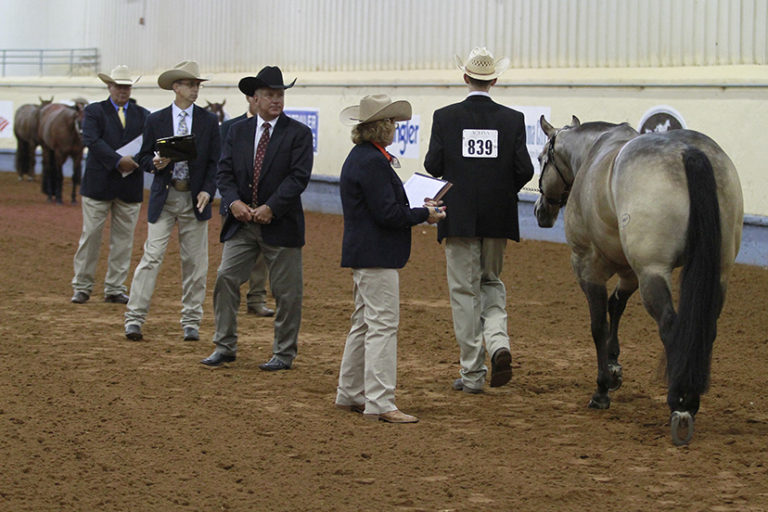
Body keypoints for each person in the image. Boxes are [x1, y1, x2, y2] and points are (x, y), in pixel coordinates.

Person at [424, 47, 534, 394]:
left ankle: (472, 373)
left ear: (465, 77)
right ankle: (499, 342)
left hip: (457, 218)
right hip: (497, 218)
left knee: (463, 292)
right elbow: (525, 171)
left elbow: (432, 165)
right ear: (494, 80)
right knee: (491, 283)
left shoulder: (445, 117)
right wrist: (499, 191)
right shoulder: (513, 119)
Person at [334, 94, 446, 423]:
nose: (396, 128)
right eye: (392, 123)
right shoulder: (372, 162)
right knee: (382, 325)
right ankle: (380, 401)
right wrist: (423, 214)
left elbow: (384, 209)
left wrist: (416, 211)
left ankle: (350, 392)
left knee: (364, 324)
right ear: (382, 127)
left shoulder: (363, 158)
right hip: (377, 253)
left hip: (366, 252)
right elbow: (388, 214)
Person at [200, 66, 312, 370]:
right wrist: (233, 201)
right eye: (269, 95)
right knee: (226, 278)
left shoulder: (298, 134)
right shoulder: (237, 131)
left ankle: (284, 353)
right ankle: (224, 345)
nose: (276, 100)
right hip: (242, 223)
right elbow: (224, 171)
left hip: (281, 224)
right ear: (255, 98)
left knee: (287, 293)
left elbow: (298, 177)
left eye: (280, 95)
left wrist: (271, 207)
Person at [124, 60, 221, 342]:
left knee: (195, 263)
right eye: (190, 85)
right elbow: (142, 157)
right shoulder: (155, 120)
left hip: (195, 198)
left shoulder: (208, 121)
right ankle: (134, 318)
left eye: (197, 85)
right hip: (165, 198)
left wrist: (207, 189)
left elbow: (216, 162)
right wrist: (155, 163)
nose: (194, 90)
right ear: (176, 87)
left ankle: (191, 321)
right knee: (151, 258)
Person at [71, 65, 149, 305]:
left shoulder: (143, 114)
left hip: (129, 186)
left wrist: (133, 162)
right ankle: (82, 286)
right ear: (109, 87)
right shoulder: (95, 111)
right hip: (99, 184)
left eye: (126, 86)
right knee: (91, 236)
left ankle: (115, 287)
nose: (123, 90)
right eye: (119, 86)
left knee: (124, 240)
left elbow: (148, 144)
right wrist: (118, 161)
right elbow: (91, 140)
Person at [219, 97, 273, 318]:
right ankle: (229, 302)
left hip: (263, 204)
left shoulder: (273, 130)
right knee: (231, 258)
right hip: (235, 204)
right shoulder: (231, 128)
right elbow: (222, 165)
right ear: (251, 99)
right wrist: (232, 201)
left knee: (261, 255)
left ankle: (257, 298)